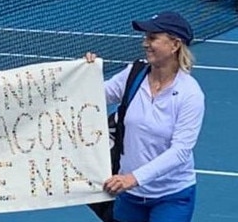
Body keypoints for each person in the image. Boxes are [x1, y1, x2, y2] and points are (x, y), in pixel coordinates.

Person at [86, 11, 205, 222]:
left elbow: (180, 151)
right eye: (145, 37)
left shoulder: (190, 94)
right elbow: (94, 96)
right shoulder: (134, 73)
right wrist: (86, 72)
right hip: (129, 195)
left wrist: (133, 178)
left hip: (171, 196)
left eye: (152, 38)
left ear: (175, 45)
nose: (145, 43)